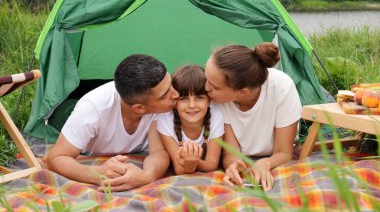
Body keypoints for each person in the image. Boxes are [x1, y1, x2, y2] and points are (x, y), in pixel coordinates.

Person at [47, 54, 179, 192]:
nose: (176, 94)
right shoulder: (93, 108)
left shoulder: (166, 105)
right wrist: (97, 174)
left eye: (171, 85)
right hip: (90, 150)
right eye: (165, 94)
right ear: (139, 108)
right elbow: (57, 157)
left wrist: (147, 176)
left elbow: (159, 152)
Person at [204, 43, 302, 191]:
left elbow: (284, 153)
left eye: (214, 86)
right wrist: (234, 165)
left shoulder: (282, 88)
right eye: (207, 79)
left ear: (243, 92)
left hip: (274, 157)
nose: (205, 88)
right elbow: (231, 152)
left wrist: (266, 163)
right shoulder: (218, 100)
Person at [157, 65, 224, 175]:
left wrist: (193, 161)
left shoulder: (216, 117)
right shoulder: (164, 121)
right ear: (174, 103)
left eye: (199, 98)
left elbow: (212, 164)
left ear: (209, 101)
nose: (192, 105)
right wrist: (189, 164)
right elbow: (178, 169)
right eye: (183, 99)